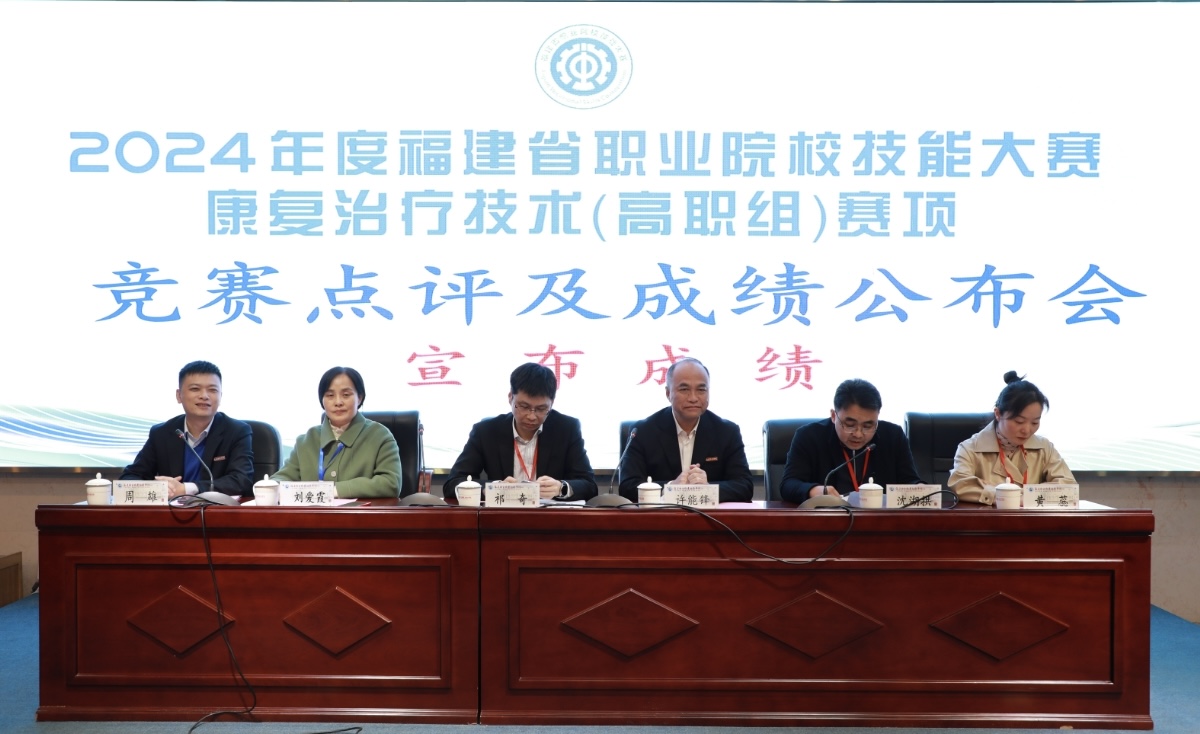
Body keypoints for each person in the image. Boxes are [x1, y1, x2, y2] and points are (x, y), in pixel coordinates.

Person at [444, 363, 598, 501]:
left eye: (541, 409)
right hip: (501, 518)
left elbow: (589, 486)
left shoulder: (566, 428)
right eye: (524, 407)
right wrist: (492, 488)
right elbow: (453, 483)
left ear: (552, 403)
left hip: (551, 519)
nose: (532, 416)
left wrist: (561, 488)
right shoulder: (486, 431)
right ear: (510, 398)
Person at [618, 358, 753, 503]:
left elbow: (744, 486)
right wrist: (671, 488)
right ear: (668, 393)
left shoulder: (727, 432)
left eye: (701, 390)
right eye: (684, 389)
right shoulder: (643, 432)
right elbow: (627, 487)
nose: (693, 398)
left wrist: (708, 489)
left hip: (709, 516)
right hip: (661, 516)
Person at [121, 360, 254, 498]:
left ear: (220, 396)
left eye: (212, 390)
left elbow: (242, 480)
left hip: (216, 510)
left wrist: (187, 489)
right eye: (195, 389)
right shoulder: (162, 433)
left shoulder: (237, 431)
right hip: (172, 510)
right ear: (179, 395)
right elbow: (130, 477)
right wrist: (158, 488)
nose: (204, 396)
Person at [779, 378, 921, 503]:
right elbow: (788, 484)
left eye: (868, 426)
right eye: (850, 425)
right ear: (833, 416)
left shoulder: (893, 436)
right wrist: (813, 490)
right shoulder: (809, 436)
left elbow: (909, 481)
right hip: (829, 519)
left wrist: (920, 488)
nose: (858, 434)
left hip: (881, 520)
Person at [272, 366, 401, 498]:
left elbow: (391, 483)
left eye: (346, 395)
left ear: (359, 398)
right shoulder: (306, 440)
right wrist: (271, 486)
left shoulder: (380, 436)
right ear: (322, 400)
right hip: (313, 512)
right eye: (330, 395)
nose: (338, 402)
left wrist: (334, 491)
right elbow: (284, 477)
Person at [948, 370, 1075, 503]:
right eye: (1019, 421)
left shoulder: (1045, 448)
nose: (1027, 430)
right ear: (998, 414)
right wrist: (1012, 497)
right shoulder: (970, 448)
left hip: (1033, 517)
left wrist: (1022, 496)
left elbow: (1069, 487)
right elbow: (961, 485)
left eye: (1034, 422)